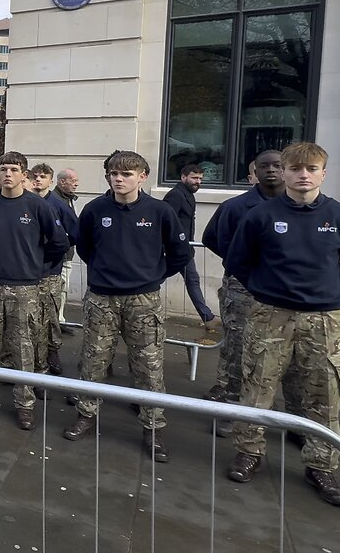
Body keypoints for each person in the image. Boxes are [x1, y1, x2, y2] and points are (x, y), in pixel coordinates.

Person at [223, 142, 340, 507]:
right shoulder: (260, 216)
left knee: (324, 394)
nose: (303, 175)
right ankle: (249, 451)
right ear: (284, 172)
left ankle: (321, 465)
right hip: (270, 315)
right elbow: (239, 261)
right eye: (296, 168)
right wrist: (266, 289)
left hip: (324, 321)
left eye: (312, 168)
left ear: (323, 172)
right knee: (257, 385)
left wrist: (325, 295)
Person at [63, 151, 190, 462]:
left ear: (142, 177)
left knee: (148, 366)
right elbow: (86, 248)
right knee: (93, 360)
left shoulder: (160, 211)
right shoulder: (95, 210)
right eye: (114, 174)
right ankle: (87, 414)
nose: (119, 179)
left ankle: (153, 427)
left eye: (127, 174)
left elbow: (179, 252)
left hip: (143, 300)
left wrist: (153, 275)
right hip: (102, 297)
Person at [0, 152, 70, 428]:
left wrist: (38, 264)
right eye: (3, 169)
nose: (8, 174)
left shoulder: (38, 206)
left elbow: (59, 242)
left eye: (14, 169)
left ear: (24, 174)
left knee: (24, 347)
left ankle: (25, 403)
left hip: (25, 288)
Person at [201, 150, 292, 413]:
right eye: (264, 166)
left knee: (287, 351)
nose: (271, 171)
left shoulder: (300, 206)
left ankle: (285, 411)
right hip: (243, 287)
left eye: (277, 165)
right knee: (238, 345)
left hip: (285, 289)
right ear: (254, 172)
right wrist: (239, 261)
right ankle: (233, 403)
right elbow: (212, 238)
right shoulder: (235, 207)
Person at [32, 162, 79, 377]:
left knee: (50, 315)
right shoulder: (26, 201)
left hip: (50, 271)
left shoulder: (58, 205)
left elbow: (74, 234)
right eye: (36, 176)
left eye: (43, 177)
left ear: (51, 181)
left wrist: (51, 256)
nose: (39, 180)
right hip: (27, 272)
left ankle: (53, 352)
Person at [162, 164, 214, 325]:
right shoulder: (176, 195)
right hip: (174, 249)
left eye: (200, 179)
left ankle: (207, 316)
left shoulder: (188, 194)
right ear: (183, 177)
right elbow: (165, 221)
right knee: (156, 277)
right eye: (194, 178)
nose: (197, 181)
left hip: (184, 249)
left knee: (191, 279)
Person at [53, 168, 80, 333]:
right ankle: (58, 321)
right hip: (61, 254)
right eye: (73, 180)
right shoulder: (57, 202)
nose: (77, 184)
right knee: (60, 287)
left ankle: (60, 319)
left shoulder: (67, 199)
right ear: (62, 181)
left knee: (64, 287)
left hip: (67, 253)